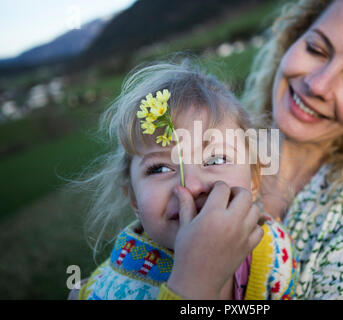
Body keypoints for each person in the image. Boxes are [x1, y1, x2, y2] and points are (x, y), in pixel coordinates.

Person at [162, 0, 343, 299]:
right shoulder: (214, 142)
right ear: (294, 37)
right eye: (316, 49)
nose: (317, 85)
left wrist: (192, 287)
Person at [72, 61, 299, 300]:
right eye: (159, 168)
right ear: (134, 199)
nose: (190, 186)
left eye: (215, 159)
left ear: (254, 180)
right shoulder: (110, 292)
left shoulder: (274, 251)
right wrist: (194, 284)